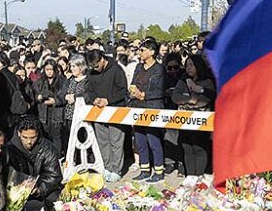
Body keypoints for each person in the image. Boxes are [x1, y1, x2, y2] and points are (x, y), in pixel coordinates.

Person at [84, 49, 129, 181]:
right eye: (92, 67)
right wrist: (94, 99)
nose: (95, 69)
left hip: (115, 110)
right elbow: (88, 89)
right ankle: (107, 167)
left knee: (115, 141)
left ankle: (116, 169)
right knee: (102, 141)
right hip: (99, 112)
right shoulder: (92, 72)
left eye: (97, 66)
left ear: (102, 59)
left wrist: (108, 100)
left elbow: (123, 91)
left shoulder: (116, 69)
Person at [7, 114, 62, 211]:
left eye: (33, 137)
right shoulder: (10, 150)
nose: (29, 142)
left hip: (41, 191)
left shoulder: (48, 149)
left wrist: (40, 188)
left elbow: (54, 175)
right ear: (19, 133)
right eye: (25, 137)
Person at [173, 54, 217, 177]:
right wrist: (190, 100)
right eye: (187, 65)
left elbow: (204, 100)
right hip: (183, 120)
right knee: (187, 148)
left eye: (191, 65)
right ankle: (190, 176)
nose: (188, 68)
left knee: (199, 149)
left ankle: (199, 176)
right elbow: (175, 97)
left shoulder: (207, 82)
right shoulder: (183, 81)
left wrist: (192, 97)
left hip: (201, 122)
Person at [128, 37, 165, 182]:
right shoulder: (138, 67)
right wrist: (133, 91)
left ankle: (159, 171)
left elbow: (161, 90)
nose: (140, 53)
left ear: (151, 52)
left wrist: (145, 95)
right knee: (140, 140)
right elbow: (133, 83)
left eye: (142, 50)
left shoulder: (159, 69)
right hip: (137, 107)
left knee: (153, 140)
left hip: (152, 107)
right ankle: (144, 169)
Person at [34, 58, 68, 149]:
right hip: (43, 113)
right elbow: (34, 94)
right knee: (45, 136)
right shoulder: (40, 82)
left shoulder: (62, 81)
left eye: (51, 69)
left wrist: (55, 101)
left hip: (57, 113)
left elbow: (64, 96)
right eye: (47, 70)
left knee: (57, 136)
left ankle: (57, 157)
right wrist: (38, 97)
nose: (49, 72)